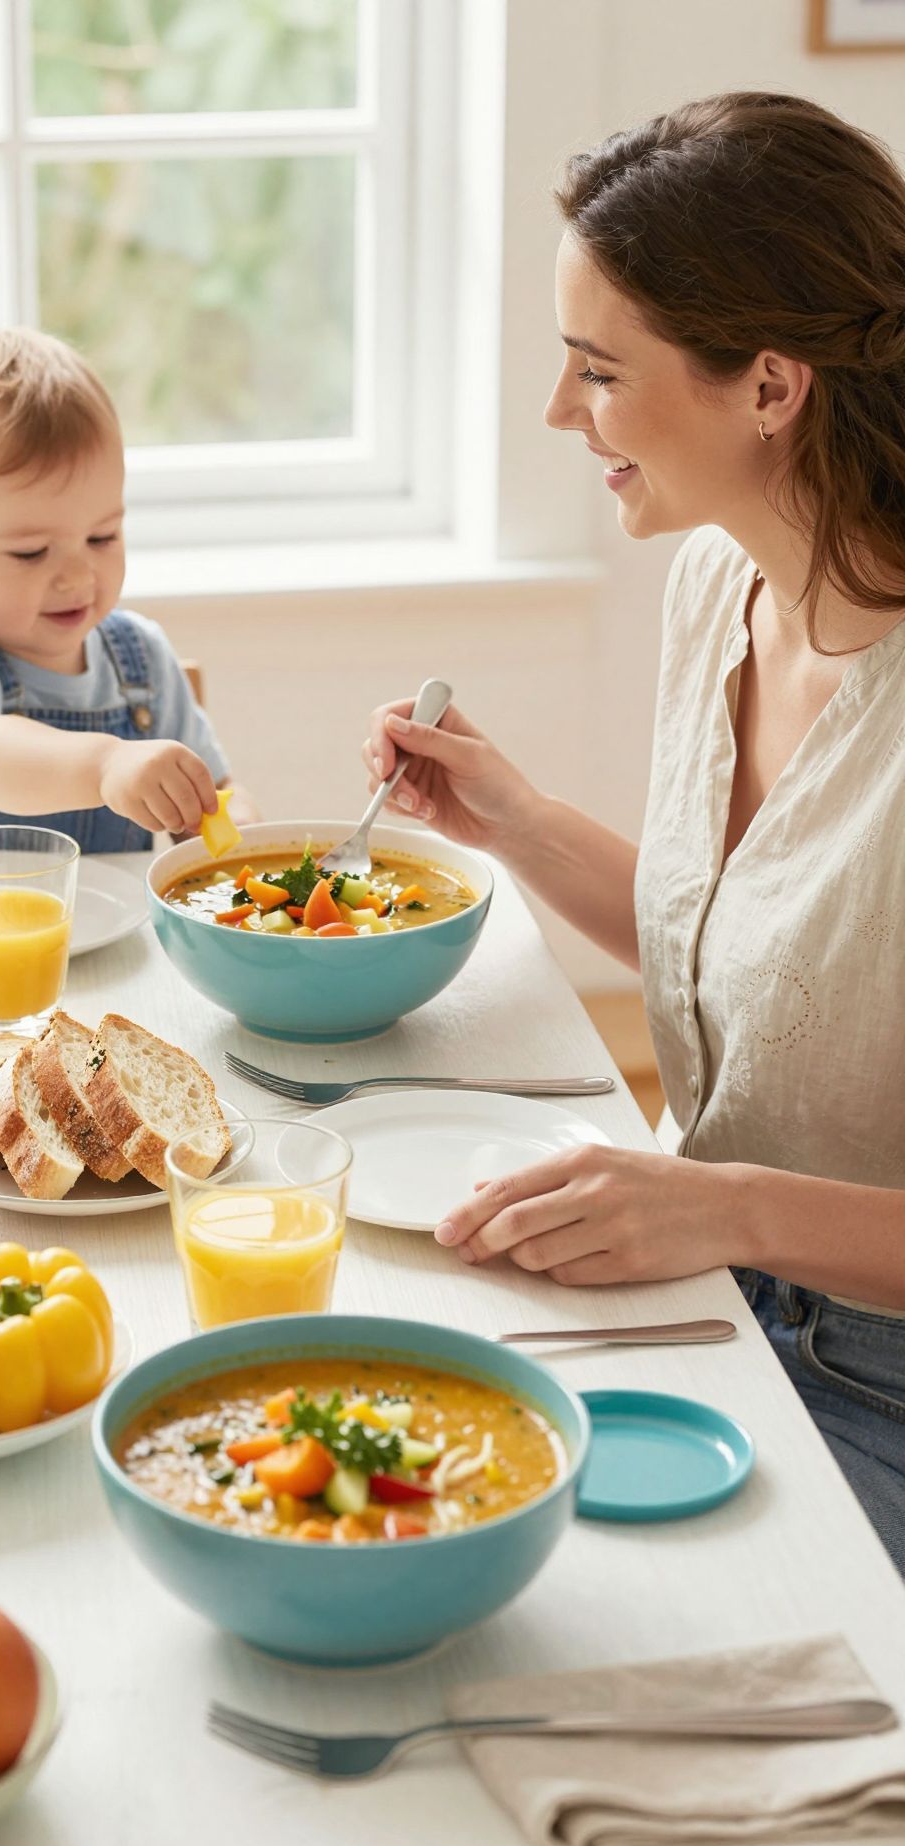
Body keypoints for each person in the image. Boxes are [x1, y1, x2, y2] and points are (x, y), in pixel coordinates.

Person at [363, 92, 905, 1570]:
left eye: (598, 372)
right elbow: (746, 956)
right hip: (709, 1287)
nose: (561, 415)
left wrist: (717, 1204)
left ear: (771, 389)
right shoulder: (718, 587)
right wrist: (516, 819)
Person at [0, 327, 243, 862]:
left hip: (89, 942)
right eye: (31, 552)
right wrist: (107, 765)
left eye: (102, 537)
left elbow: (213, 803)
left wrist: (238, 833)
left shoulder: (143, 663)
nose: (77, 577)